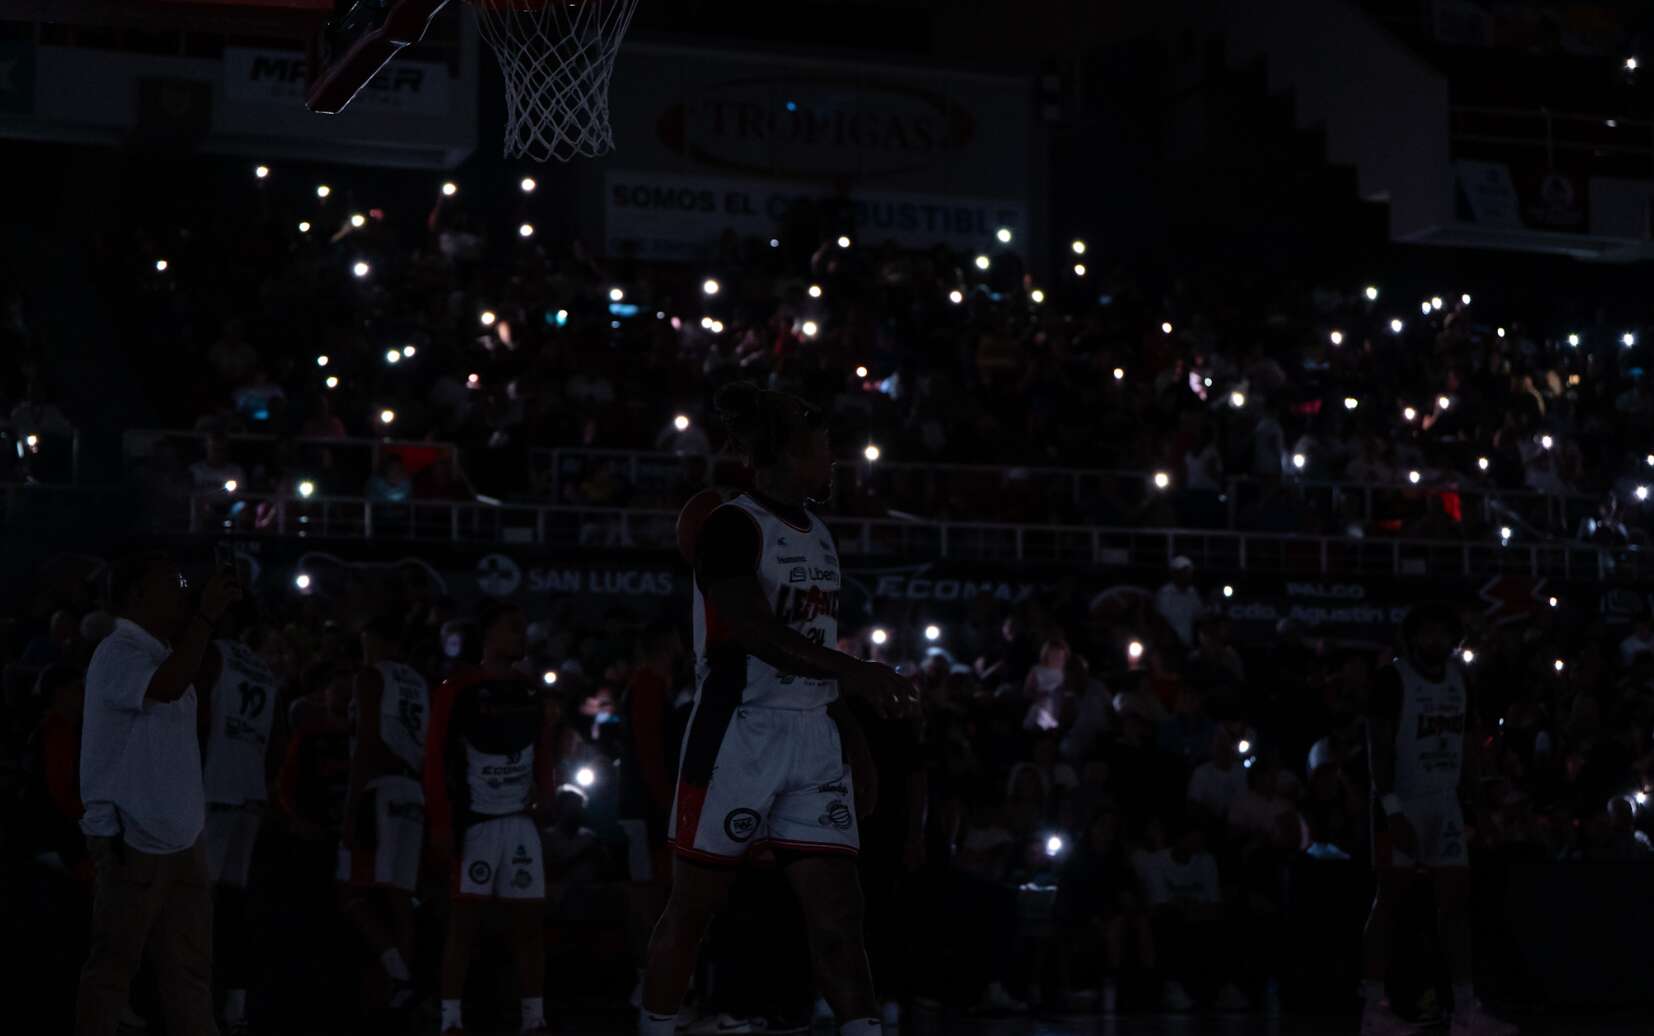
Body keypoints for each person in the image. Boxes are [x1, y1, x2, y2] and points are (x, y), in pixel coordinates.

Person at [639, 383, 916, 1036]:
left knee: (840, 919)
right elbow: (753, 631)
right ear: (787, 455)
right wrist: (856, 671)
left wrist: (850, 734)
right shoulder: (731, 525)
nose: (833, 460)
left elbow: (812, 644)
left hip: (812, 736)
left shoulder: (819, 534)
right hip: (738, 732)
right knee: (692, 911)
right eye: (822, 449)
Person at [76, 549, 241, 1036]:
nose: (185, 590)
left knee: (189, 974)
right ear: (138, 594)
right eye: (175, 582)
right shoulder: (118, 651)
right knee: (113, 970)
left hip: (181, 838)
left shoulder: (164, 652)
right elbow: (166, 686)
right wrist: (206, 616)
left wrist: (211, 620)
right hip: (132, 837)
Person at [1360, 603, 1516, 1036]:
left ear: (1453, 638)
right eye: (1426, 632)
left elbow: (1469, 748)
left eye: (1442, 632)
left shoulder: (1459, 680)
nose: (1435, 640)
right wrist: (1392, 810)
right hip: (1399, 801)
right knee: (1389, 900)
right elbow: (1378, 750)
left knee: (1455, 905)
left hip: (1444, 803)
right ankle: (1373, 1010)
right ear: (1412, 638)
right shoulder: (1392, 679)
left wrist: (1479, 809)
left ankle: (1465, 1010)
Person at [425, 600, 556, 1036]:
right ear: (489, 635)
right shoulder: (456, 689)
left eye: (523, 628)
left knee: (529, 926)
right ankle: (450, 1021)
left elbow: (543, 752)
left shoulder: (531, 691)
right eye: (512, 627)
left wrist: (547, 795)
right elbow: (434, 759)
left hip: (519, 821)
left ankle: (534, 1020)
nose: (521, 635)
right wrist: (441, 823)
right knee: (463, 926)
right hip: (475, 824)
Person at [339, 616, 430, 1019]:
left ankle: (401, 977)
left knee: (350, 891)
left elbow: (368, 742)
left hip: (380, 788)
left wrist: (351, 805)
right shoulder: (419, 682)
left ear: (377, 641)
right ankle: (402, 991)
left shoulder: (371, 676)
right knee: (399, 895)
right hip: (413, 789)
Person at [197, 621, 282, 1036]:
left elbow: (199, 719)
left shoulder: (213, 654)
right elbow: (276, 739)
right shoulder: (264, 669)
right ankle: (236, 1004)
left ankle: (197, 1000)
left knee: (199, 901)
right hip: (250, 793)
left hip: (216, 789)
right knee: (234, 903)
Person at [1154, 557, 1203, 648]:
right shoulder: (1165, 593)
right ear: (1175, 574)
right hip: (1167, 645)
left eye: (1188, 573)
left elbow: (1198, 616)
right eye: (1183, 572)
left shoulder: (1193, 593)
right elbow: (1161, 619)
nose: (1186, 576)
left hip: (1187, 643)